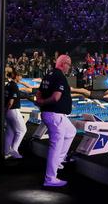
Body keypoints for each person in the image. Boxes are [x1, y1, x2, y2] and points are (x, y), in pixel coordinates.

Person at [36, 54, 75, 187]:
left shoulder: (49, 74)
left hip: (55, 115)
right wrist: (43, 102)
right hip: (55, 115)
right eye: (69, 64)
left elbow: (39, 92)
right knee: (55, 146)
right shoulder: (59, 76)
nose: (69, 67)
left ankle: (58, 161)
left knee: (71, 132)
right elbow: (55, 98)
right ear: (63, 63)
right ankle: (50, 178)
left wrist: (40, 101)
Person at [5, 72, 27, 159]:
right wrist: (7, 110)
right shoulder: (14, 86)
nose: (21, 78)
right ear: (16, 76)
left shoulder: (7, 85)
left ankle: (6, 152)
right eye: (20, 76)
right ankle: (14, 151)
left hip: (7, 110)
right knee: (22, 130)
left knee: (10, 132)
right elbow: (11, 101)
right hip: (12, 110)